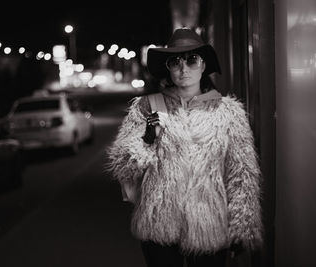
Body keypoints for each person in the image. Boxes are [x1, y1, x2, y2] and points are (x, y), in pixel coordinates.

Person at [105, 28, 262, 267]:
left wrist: (243, 227)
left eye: (191, 60)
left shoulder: (228, 112)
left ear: (203, 65)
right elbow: (123, 168)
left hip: (209, 227)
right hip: (158, 226)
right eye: (174, 61)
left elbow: (242, 174)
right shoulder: (147, 108)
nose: (183, 68)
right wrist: (147, 141)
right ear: (167, 67)